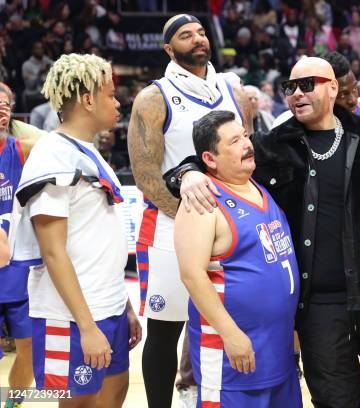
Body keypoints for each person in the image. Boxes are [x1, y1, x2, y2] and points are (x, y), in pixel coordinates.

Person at [166, 57, 360, 408]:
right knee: (334, 402)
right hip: (320, 307)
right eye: (290, 87)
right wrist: (188, 174)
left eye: (307, 84)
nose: (296, 93)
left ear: (332, 88)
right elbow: (213, 159)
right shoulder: (271, 147)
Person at [127, 14, 243, 408]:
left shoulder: (231, 89)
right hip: (169, 228)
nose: (196, 39)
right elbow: (146, 176)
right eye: (184, 35)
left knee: (224, 324)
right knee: (165, 331)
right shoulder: (153, 98)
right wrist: (193, 221)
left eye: (200, 32)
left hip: (227, 226)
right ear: (168, 48)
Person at [12, 53, 141, 407]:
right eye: (111, 95)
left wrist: (125, 305)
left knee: (115, 394)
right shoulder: (51, 156)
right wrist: (86, 326)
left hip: (109, 306)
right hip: (68, 317)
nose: (117, 102)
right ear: (87, 99)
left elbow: (100, 238)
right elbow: (53, 252)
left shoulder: (88, 151)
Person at [174, 110, 301, 408]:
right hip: (231, 359)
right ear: (209, 158)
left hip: (276, 354)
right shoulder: (201, 201)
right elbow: (191, 275)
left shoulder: (259, 186)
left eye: (244, 135)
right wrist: (230, 335)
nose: (247, 144)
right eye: (234, 141)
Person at [0, 82, 38, 408]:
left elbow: (64, 144)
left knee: (29, 349)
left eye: (7, 104)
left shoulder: (23, 148)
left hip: (19, 268)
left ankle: (13, 404)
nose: (2, 109)